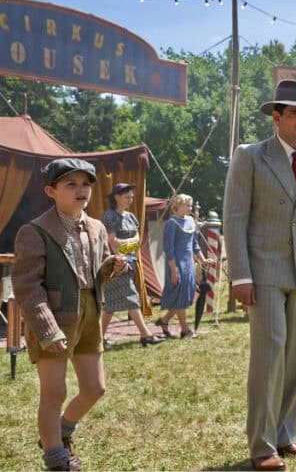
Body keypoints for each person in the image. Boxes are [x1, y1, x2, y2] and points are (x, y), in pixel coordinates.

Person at [223, 79, 296, 471]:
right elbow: (235, 218)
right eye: (294, 113)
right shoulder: (250, 156)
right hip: (264, 272)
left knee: (295, 357)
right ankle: (262, 445)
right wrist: (240, 275)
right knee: (271, 353)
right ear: (276, 117)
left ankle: (286, 435)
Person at [12, 158, 128, 471]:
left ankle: (61, 431)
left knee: (95, 388)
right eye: (71, 184)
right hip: (52, 320)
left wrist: (111, 267)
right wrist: (48, 330)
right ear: (51, 191)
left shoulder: (97, 227)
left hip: (90, 316)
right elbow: (27, 287)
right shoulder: (34, 231)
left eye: (86, 184)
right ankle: (56, 458)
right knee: (55, 391)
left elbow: (96, 270)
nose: (81, 190)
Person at [99, 183, 163, 347]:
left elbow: (137, 240)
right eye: (127, 196)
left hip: (131, 262)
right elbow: (113, 243)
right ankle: (145, 334)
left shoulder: (131, 217)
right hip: (115, 264)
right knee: (132, 297)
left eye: (132, 196)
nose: (131, 198)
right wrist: (128, 244)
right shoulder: (109, 216)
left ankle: (97, 338)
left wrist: (125, 243)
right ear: (117, 197)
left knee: (110, 306)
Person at [154, 194, 213, 340]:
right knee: (179, 295)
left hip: (189, 263)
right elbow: (169, 249)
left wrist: (203, 260)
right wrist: (174, 270)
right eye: (187, 204)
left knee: (186, 295)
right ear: (177, 206)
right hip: (176, 263)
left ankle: (164, 321)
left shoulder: (191, 221)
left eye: (190, 205)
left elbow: (194, 245)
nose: (190, 207)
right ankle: (185, 330)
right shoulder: (171, 223)